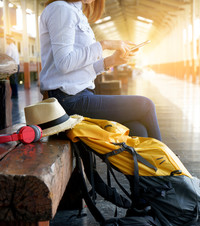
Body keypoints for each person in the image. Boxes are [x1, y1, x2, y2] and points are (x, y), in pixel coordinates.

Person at [39, 0, 161, 140]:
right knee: (146, 105)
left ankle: (152, 160)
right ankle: (165, 160)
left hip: (78, 96)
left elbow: (77, 69)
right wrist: (104, 44)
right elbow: (64, 63)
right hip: (67, 100)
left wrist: (111, 61)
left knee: (138, 129)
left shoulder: (77, 13)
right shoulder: (61, 9)